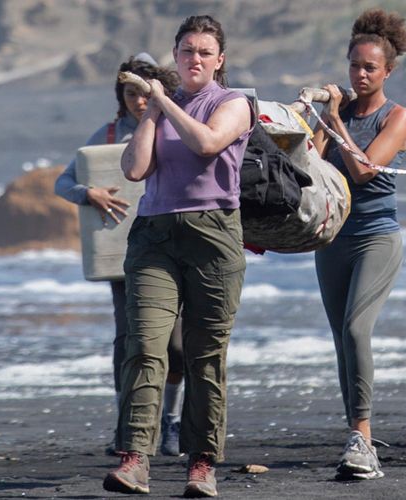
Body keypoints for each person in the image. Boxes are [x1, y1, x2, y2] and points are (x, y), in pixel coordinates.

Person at [102, 15, 253, 498]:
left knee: (204, 355)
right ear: (175, 55)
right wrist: (151, 113)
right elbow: (134, 168)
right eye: (186, 50)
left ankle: (202, 464)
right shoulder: (160, 108)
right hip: (155, 236)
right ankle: (135, 458)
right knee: (144, 345)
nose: (194, 59)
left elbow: (207, 143)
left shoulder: (233, 103)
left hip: (213, 235)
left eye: (205, 52)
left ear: (219, 60)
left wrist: (164, 100)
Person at [53, 53, 186, 457]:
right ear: (121, 94)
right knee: (128, 343)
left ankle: (172, 421)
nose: (139, 102)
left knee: (176, 347)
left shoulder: (173, 125)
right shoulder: (108, 134)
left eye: (145, 93)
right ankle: (127, 426)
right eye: (131, 94)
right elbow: (64, 180)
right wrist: (87, 193)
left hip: (171, 249)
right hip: (120, 257)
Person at [310, 8, 406, 481]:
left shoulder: (399, 116)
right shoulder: (340, 112)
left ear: (388, 71)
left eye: (370, 67)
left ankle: (364, 440)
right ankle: (358, 437)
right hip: (333, 238)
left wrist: (335, 120)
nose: (361, 74)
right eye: (355, 66)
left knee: (356, 329)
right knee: (341, 341)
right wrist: (316, 116)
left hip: (376, 237)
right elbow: (308, 163)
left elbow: (365, 169)